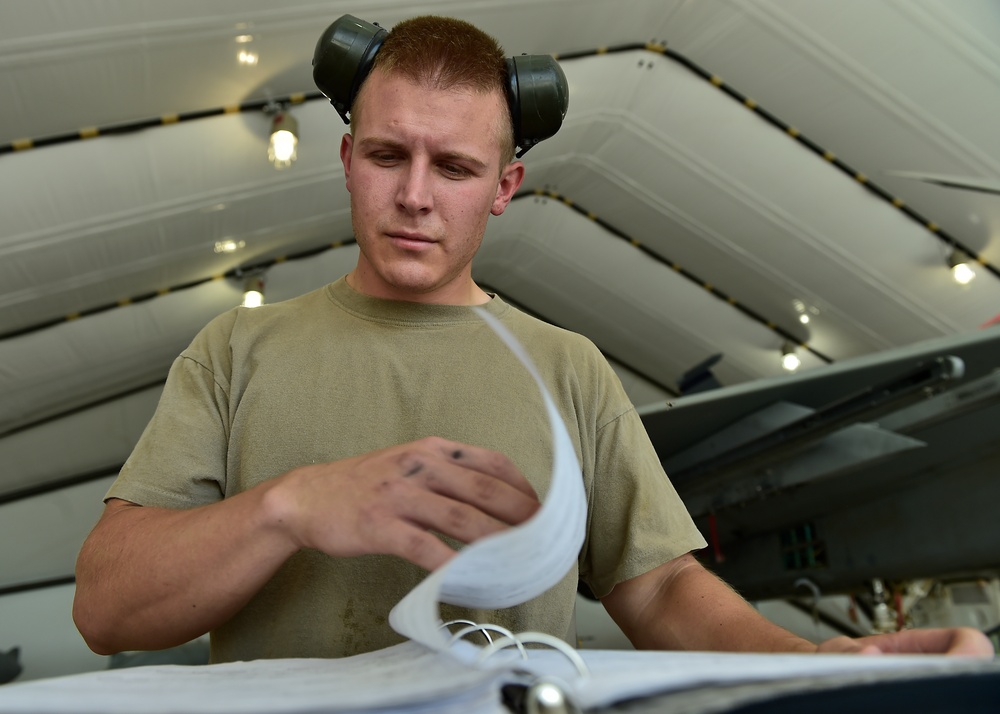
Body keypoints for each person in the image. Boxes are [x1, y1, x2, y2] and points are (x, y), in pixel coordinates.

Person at [73, 14, 991, 663]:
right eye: (389, 155)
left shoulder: (567, 367)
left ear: (505, 187)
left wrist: (826, 660)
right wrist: (289, 506)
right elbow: (106, 609)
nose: (417, 196)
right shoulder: (237, 351)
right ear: (349, 158)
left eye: (458, 168)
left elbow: (662, 592)